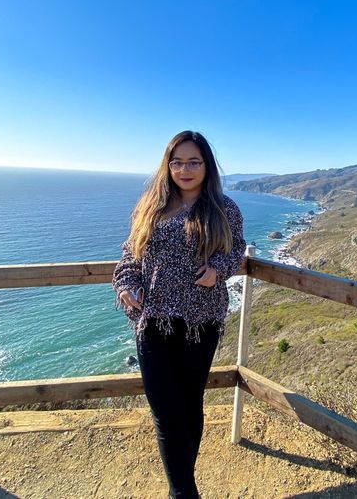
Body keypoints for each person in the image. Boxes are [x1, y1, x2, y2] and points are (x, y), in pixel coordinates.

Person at [112, 130, 246, 499]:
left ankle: (182, 490)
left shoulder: (224, 208)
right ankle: (184, 492)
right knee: (165, 411)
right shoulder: (151, 205)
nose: (185, 170)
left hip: (201, 322)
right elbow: (130, 254)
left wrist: (218, 269)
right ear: (167, 166)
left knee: (189, 405)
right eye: (177, 162)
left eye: (193, 162)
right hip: (152, 319)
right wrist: (126, 284)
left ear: (207, 166)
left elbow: (236, 249)